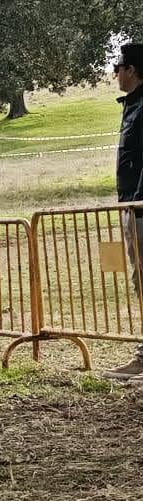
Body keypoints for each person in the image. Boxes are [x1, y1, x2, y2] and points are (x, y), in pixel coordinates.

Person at [110, 42, 143, 382]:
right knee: (140, 280)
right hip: (132, 204)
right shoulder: (133, 105)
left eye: (117, 68)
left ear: (132, 70)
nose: (115, 74)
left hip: (140, 206)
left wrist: (137, 201)